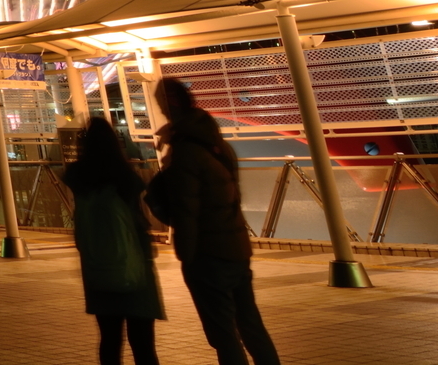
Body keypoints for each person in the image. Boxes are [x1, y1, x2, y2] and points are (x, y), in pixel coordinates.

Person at [145, 77, 280, 365]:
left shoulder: (185, 151)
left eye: (161, 103)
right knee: (250, 324)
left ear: (173, 102)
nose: (162, 110)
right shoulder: (218, 144)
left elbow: (186, 210)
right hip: (236, 249)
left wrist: (187, 256)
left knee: (223, 334)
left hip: (208, 255)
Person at [65, 117, 163, 365]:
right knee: (143, 345)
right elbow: (139, 224)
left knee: (109, 341)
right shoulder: (126, 179)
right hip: (134, 269)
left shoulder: (79, 180)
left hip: (98, 271)